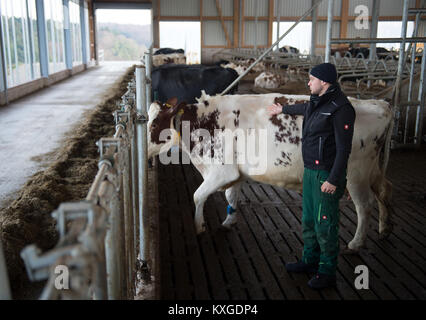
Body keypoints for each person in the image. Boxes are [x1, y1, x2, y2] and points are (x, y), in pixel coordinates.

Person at [267, 63, 356, 290]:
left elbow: (344, 149)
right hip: (309, 171)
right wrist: (282, 110)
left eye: (311, 79)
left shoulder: (341, 108)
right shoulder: (318, 102)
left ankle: (327, 272)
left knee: (325, 223)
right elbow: (305, 109)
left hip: (325, 175)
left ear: (324, 82)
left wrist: (334, 180)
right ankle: (310, 260)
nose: (308, 82)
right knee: (308, 220)